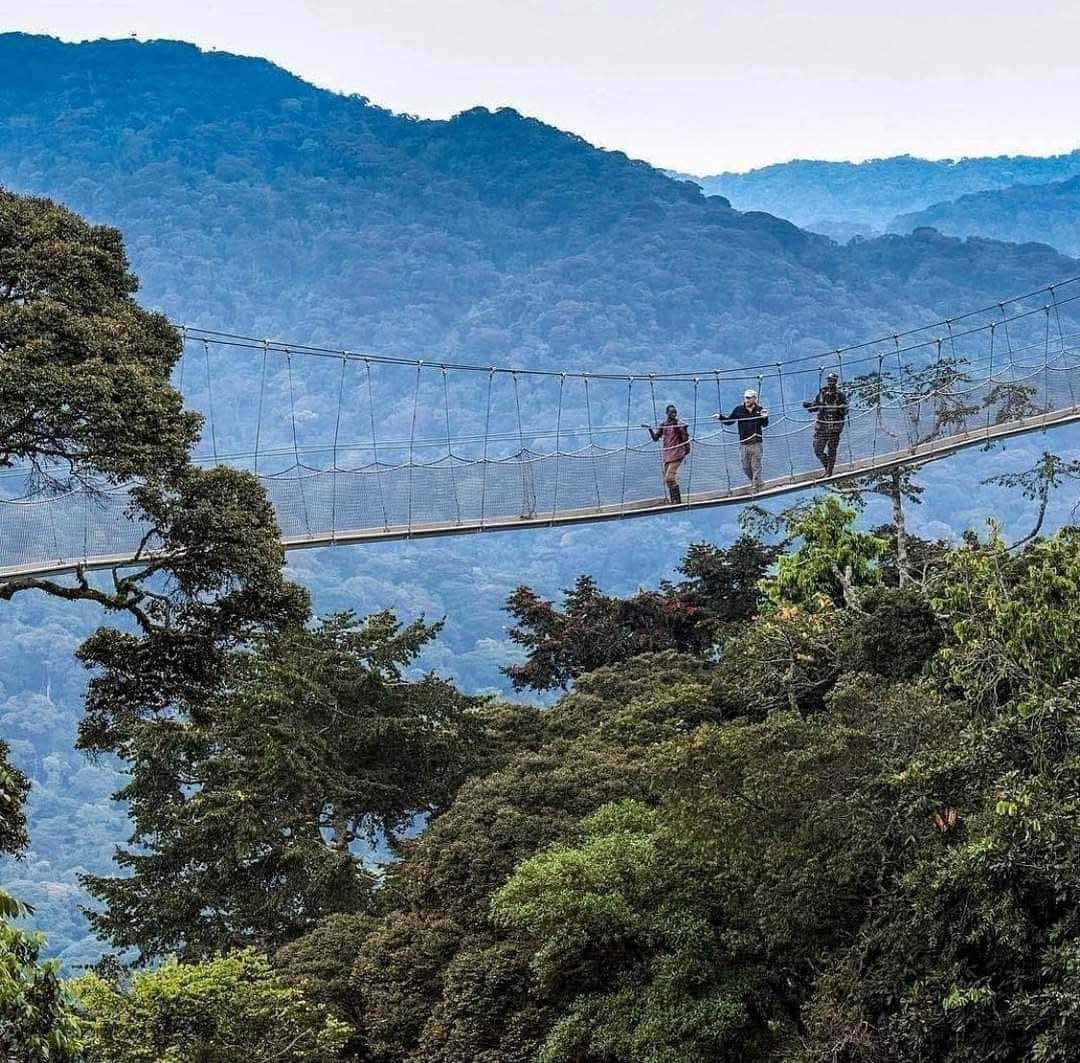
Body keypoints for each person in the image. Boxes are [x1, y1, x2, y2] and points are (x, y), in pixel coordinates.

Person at [715, 388, 769, 490]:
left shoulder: (760, 410)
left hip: (756, 442)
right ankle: (759, 483)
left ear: (754, 399)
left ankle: (754, 487)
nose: (747, 400)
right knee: (746, 467)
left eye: (749, 398)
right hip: (744, 443)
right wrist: (720, 417)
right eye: (745, 398)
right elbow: (730, 421)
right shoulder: (738, 410)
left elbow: (764, 425)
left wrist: (765, 417)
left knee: (755, 466)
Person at [803, 371, 849, 476]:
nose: (830, 383)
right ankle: (827, 465)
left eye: (832, 381)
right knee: (817, 449)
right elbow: (816, 406)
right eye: (829, 380)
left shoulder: (840, 395)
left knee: (832, 449)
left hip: (835, 427)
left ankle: (829, 471)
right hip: (822, 427)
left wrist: (840, 408)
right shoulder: (822, 393)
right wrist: (809, 406)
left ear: (835, 382)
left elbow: (845, 410)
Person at [643, 404, 690, 503]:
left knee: (669, 477)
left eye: (675, 412)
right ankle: (674, 500)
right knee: (668, 480)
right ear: (667, 413)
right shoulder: (664, 425)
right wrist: (650, 429)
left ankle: (677, 501)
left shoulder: (678, 424)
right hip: (668, 455)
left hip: (677, 454)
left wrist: (684, 430)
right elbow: (656, 438)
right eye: (671, 412)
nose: (673, 414)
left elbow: (685, 439)